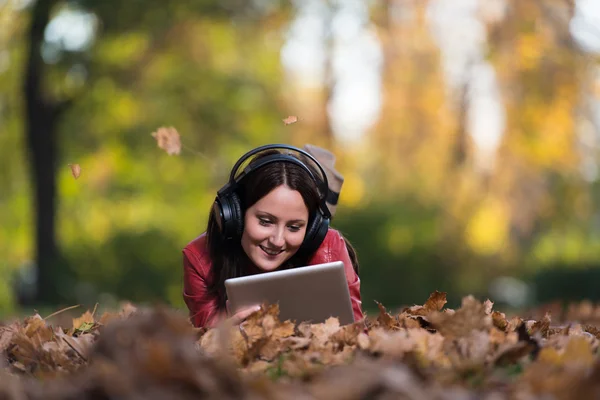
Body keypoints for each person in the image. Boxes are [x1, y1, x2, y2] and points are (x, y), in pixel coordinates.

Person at [182, 144, 363, 328]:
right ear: (235, 214)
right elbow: (204, 343)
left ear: (312, 230)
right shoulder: (198, 258)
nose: (277, 241)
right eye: (265, 221)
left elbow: (355, 336)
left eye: (293, 227)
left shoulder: (329, 249)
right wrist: (224, 330)